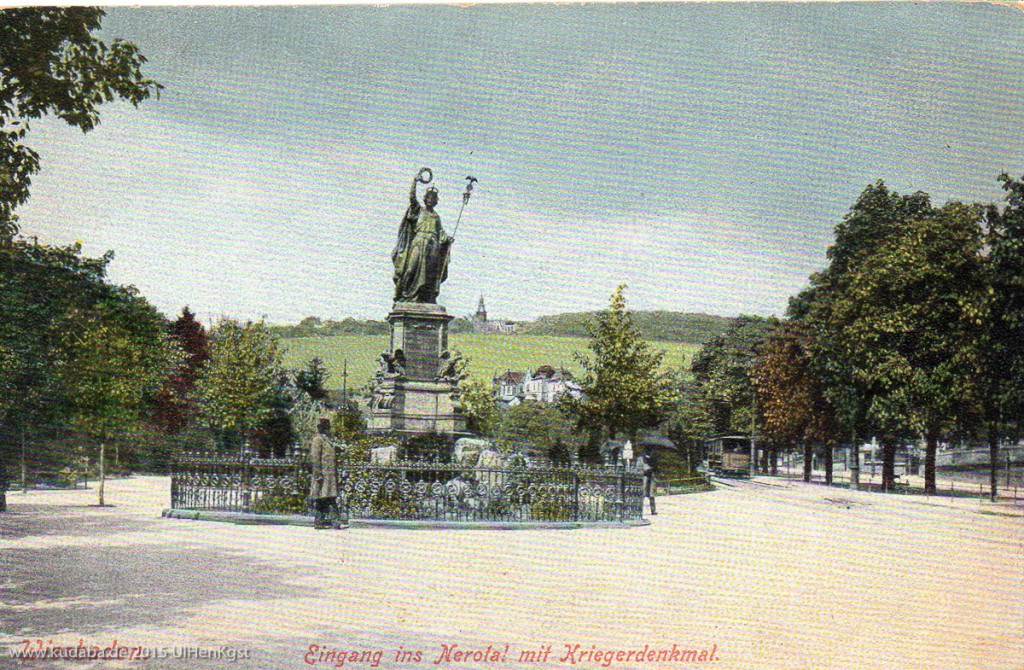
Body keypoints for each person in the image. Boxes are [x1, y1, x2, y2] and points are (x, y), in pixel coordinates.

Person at [392, 168, 453, 303]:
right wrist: (415, 182)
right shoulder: (418, 210)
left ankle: (426, 298)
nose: (431, 200)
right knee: (410, 269)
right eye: (429, 198)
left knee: (429, 274)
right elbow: (412, 198)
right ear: (425, 199)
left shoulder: (436, 217)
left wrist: (447, 239)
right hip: (419, 243)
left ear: (436, 201)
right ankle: (404, 295)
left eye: (433, 199)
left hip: (432, 247)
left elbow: (441, 233)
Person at [309, 419, 340, 529]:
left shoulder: (327, 440)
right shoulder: (318, 440)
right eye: (325, 427)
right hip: (322, 474)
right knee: (324, 497)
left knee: (327, 497)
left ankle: (322, 521)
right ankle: (329, 521)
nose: (328, 430)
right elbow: (315, 458)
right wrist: (318, 474)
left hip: (329, 474)